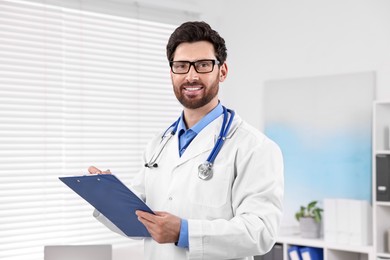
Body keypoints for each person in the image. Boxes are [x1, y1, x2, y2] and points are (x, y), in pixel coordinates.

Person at [89, 21, 284, 260]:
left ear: (222, 71)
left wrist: (185, 232)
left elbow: (261, 231)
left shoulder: (255, 147)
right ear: (171, 72)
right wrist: (108, 197)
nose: (191, 76)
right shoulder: (157, 145)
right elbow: (141, 221)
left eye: (203, 65)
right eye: (181, 66)